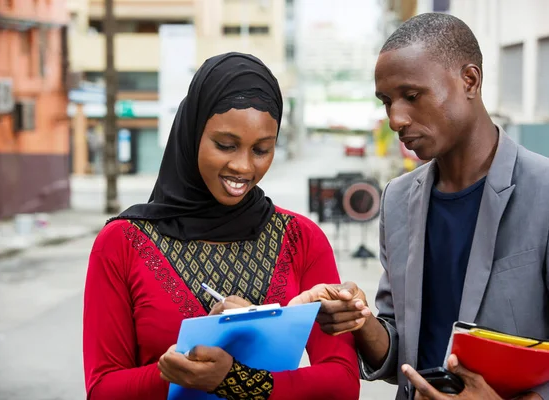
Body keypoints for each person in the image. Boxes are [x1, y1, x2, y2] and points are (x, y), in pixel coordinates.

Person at [289, 13, 549, 400]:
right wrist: (359, 319)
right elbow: (401, 347)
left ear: (470, 80)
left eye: (412, 96)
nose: (396, 119)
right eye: (387, 102)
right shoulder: (398, 199)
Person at [82, 52, 360, 400]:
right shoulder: (123, 242)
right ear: (193, 132)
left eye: (261, 149)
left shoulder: (300, 239)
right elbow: (102, 389)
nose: (243, 167)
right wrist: (179, 369)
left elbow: (342, 382)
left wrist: (238, 378)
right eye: (225, 145)